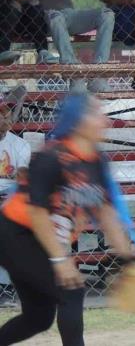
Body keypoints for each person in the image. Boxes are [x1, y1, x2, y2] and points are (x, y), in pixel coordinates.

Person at [0, 93, 135, 344]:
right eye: (96, 114)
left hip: (40, 238)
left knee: (38, 317)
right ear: (78, 120)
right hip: (15, 234)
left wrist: (128, 262)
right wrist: (60, 260)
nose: (103, 119)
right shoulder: (52, 158)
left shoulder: (95, 162)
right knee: (71, 289)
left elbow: (106, 213)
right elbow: (36, 212)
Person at [22, 0, 115, 92]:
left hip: (68, 14)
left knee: (106, 14)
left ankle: (98, 74)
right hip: (44, 18)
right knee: (55, 16)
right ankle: (74, 75)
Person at [0, 91, 30, 307]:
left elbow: (22, 178)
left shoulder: (20, 145)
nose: (6, 120)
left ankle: (5, 289)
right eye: (2, 116)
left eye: (7, 115)